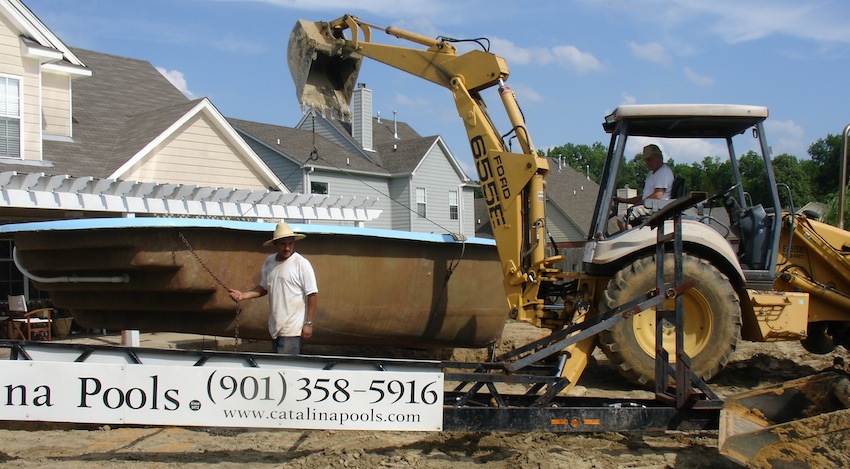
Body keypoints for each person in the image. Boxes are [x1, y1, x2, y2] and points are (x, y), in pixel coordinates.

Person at [228, 221, 318, 354]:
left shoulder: (301, 263)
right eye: (283, 244)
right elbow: (264, 287)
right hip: (275, 327)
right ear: (275, 244)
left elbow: (312, 294)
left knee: (286, 367)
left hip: (292, 328)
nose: (287, 248)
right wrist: (243, 295)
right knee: (278, 365)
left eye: (290, 243)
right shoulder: (270, 262)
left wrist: (308, 323)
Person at [615, 143, 675, 229]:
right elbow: (644, 196)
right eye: (646, 160)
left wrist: (638, 204)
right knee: (626, 214)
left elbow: (658, 195)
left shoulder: (664, 172)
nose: (647, 163)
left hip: (657, 207)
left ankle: (631, 241)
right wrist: (624, 200)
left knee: (622, 218)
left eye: (649, 159)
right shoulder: (652, 174)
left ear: (659, 157)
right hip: (649, 205)